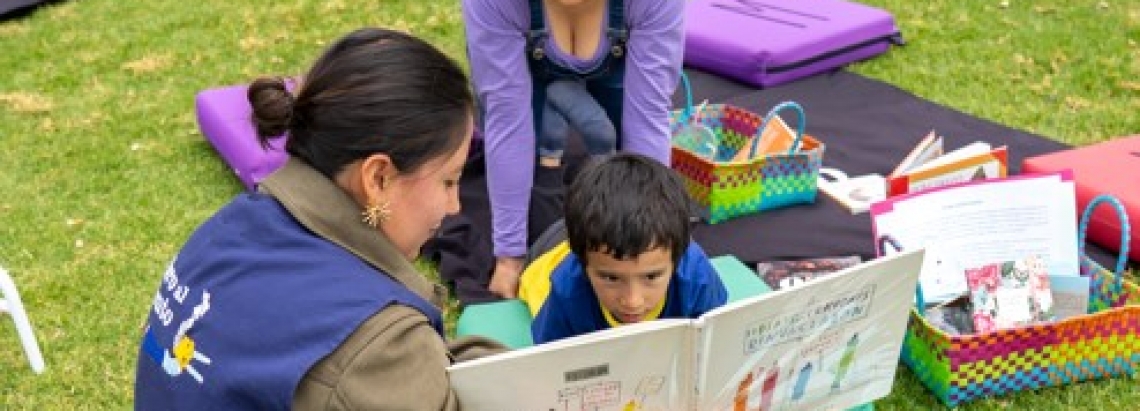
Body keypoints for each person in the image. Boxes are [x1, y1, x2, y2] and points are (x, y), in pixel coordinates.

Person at [133, 28, 504, 410]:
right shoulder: (378, 343)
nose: (455, 205)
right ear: (378, 178)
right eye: (449, 180)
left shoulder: (228, 227)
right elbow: (368, 363)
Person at [461, 0, 685, 298]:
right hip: (524, 68)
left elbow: (648, 116)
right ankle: (550, 135)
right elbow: (507, 120)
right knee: (521, 170)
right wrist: (509, 258)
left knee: (629, 167)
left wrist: (654, 241)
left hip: (617, 67)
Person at [517, 153, 727, 344]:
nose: (632, 301)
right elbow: (550, 366)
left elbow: (718, 343)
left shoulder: (697, 277)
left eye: (651, 276)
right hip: (551, 249)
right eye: (611, 278)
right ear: (584, 267)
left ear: (676, 260)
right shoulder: (567, 291)